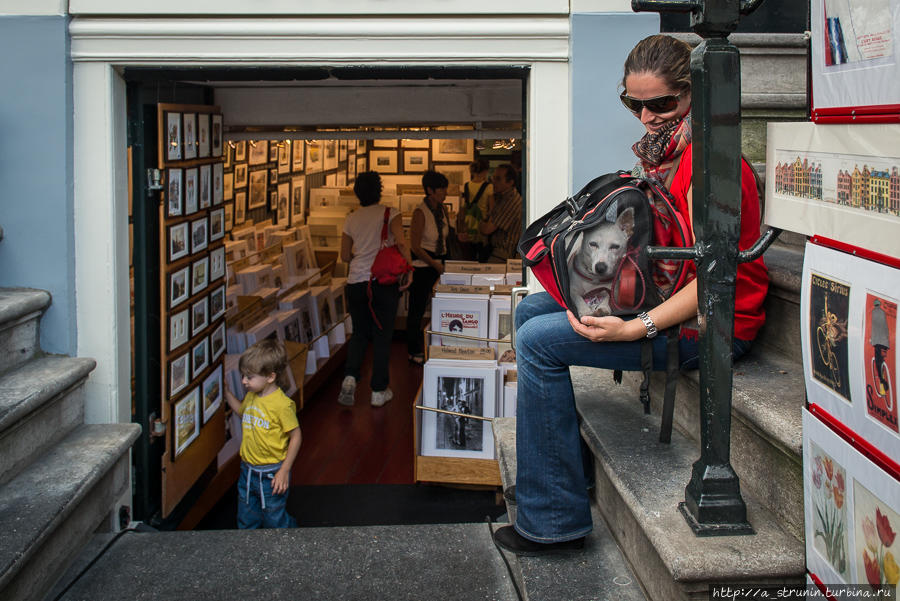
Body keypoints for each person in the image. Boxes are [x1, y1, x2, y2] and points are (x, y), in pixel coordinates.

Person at [492, 34, 769, 555]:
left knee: (537, 344)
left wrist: (636, 326)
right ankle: (557, 473)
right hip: (667, 296)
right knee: (531, 309)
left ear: (695, 94)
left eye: (661, 103)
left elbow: (717, 284)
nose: (646, 116)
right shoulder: (671, 152)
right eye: (634, 102)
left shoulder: (711, 164)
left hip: (711, 326)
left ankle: (552, 518)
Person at [339, 171, 412, 406]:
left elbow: (344, 255)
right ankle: (378, 391)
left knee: (359, 333)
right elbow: (401, 242)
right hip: (381, 282)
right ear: (379, 190)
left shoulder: (351, 218)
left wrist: (361, 256)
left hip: (355, 282)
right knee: (382, 335)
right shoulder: (391, 213)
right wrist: (409, 268)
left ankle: (350, 377)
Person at [223, 339, 302, 529]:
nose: (244, 381)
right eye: (243, 376)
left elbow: (296, 436)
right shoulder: (252, 395)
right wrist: (226, 393)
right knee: (246, 515)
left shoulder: (281, 405)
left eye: (249, 377)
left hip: (271, 473)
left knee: (274, 518)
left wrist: (284, 470)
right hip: (248, 470)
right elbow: (243, 412)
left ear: (270, 377)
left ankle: (290, 536)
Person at [406, 170, 451, 365]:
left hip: (440, 263)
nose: (445, 192)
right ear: (430, 190)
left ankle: (438, 346)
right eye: (441, 189)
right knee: (417, 309)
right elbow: (415, 246)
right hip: (423, 265)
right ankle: (414, 350)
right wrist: (434, 264)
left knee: (440, 307)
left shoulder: (443, 210)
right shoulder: (420, 212)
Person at [479, 163, 522, 263]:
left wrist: (480, 224)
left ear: (510, 182)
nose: (493, 182)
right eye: (493, 178)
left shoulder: (510, 201)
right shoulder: (501, 198)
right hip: (498, 252)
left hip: (503, 255)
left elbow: (487, 229)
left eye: (498, 179)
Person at [456, 159, 494, 262]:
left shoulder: (466, 186)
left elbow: (464, 207)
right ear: (485, 171)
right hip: (482, 226)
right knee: (482, 256)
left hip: (469, 225)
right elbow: (491, 209)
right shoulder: (489, 187)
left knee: (470, 257)